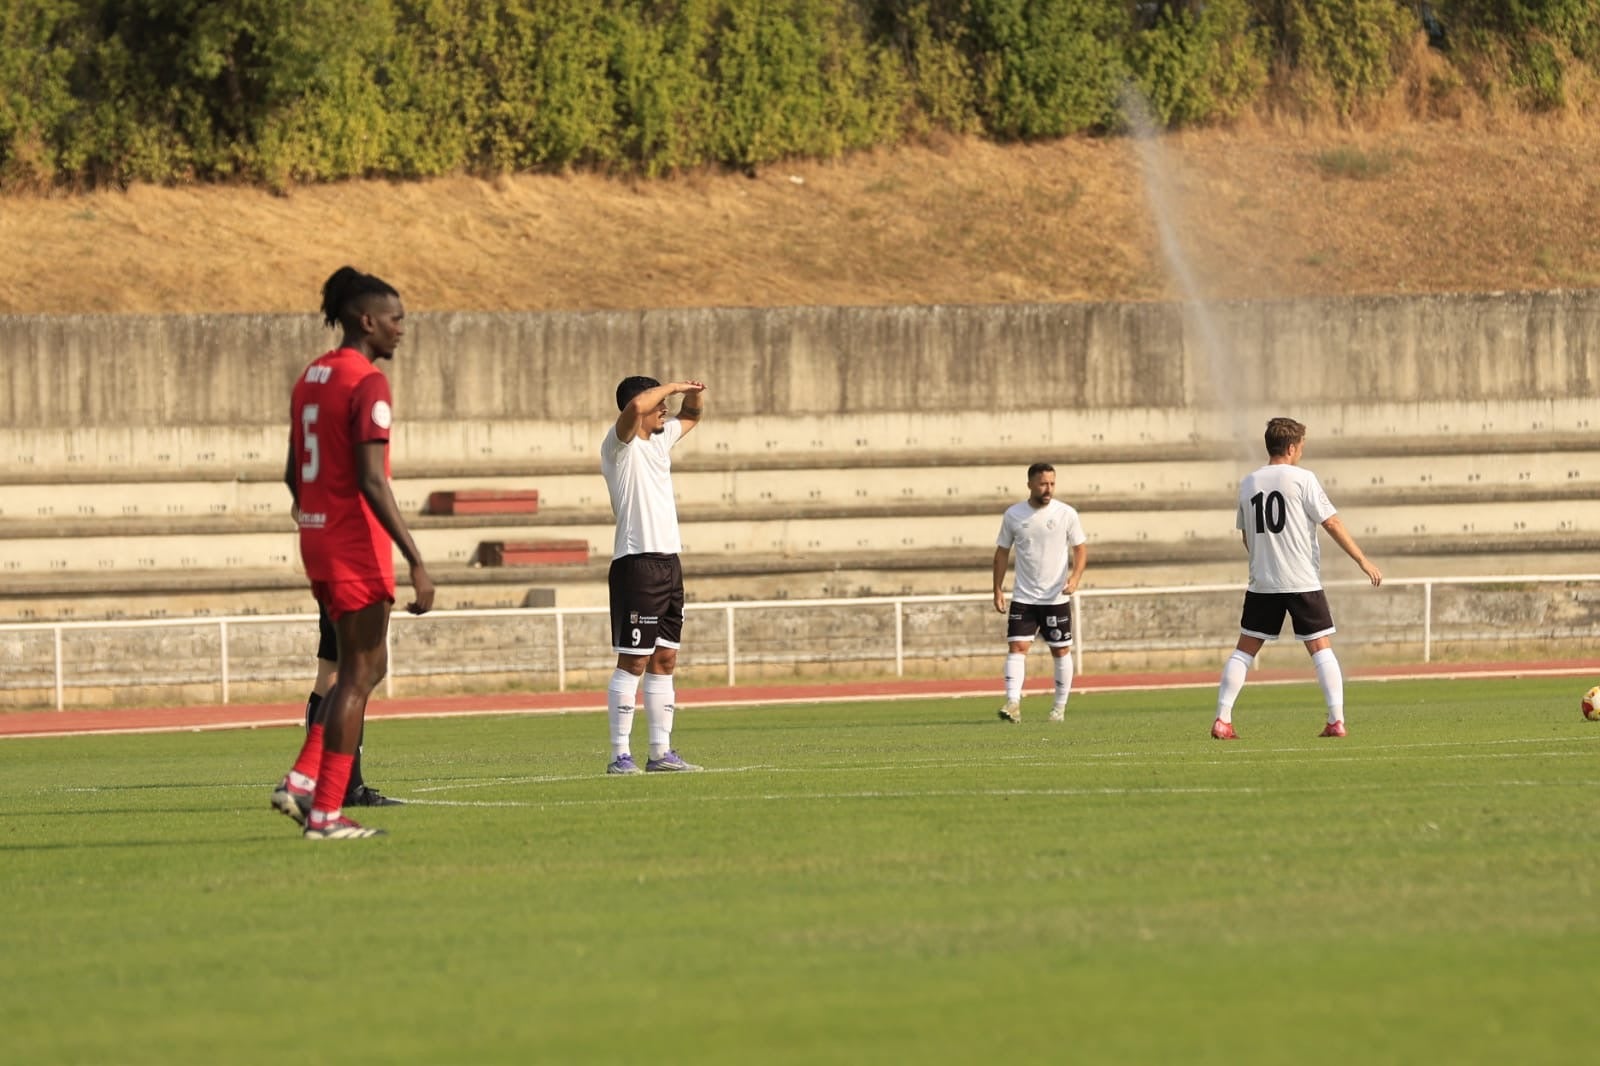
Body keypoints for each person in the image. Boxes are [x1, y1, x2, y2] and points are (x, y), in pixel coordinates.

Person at [270, 266, 434, 839]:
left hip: (317, 535)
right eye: (395, 320)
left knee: (361, 667)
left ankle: (301, 781)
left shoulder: (311, 376)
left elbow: (294, 471)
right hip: (353, 541)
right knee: (358, 675)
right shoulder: (366, 382)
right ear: (367, 320)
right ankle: (325, 811)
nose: (401, 330)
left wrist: (315, 515)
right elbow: (371, 479)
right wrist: (414, 557)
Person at [1212, 416, 1382, 740]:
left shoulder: (1248, 483)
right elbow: (1331, 523)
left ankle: (1222, 718)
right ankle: (1336, 720)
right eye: (1301, 447)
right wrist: (1362, 559)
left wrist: (1265, 561)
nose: (1302, 453)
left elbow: (1246, 536)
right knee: (1321, 648)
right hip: (1302, 580)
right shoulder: (1303, 479)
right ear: (1291, 447)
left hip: (1263, 581)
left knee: (1244, 650)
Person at [599, 375, 707, 775]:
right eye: (659, 403)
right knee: (635, 661)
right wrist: (673, 385)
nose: (666, 410)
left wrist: (693, 394)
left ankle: (660, 753)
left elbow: (692, 415)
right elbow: (634, 411)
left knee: (665, 658)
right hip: (636, 562)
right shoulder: (619, 446)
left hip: (668, 563)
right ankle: (618, 755)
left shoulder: (660, 439)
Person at [992, 462, 1088, 724]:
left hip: (1055, 597)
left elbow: (1080, 549)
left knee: (1060, 651)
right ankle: (1013, 703)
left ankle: (1059, 708)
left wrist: (1075, 578)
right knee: (1017, 646)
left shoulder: (1066, 513)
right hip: (1024, 596)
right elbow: (1002, 552)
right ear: (1030, 485)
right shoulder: (1013, 515)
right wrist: (997, 589)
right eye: (1043, 483)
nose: (1048, 489)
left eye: (1052, 484)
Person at [303, 603, 403, 809]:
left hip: (332, 581)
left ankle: (325, 780)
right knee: (355, 674)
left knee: (330, 672)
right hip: (351, 583)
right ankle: (350, 787)